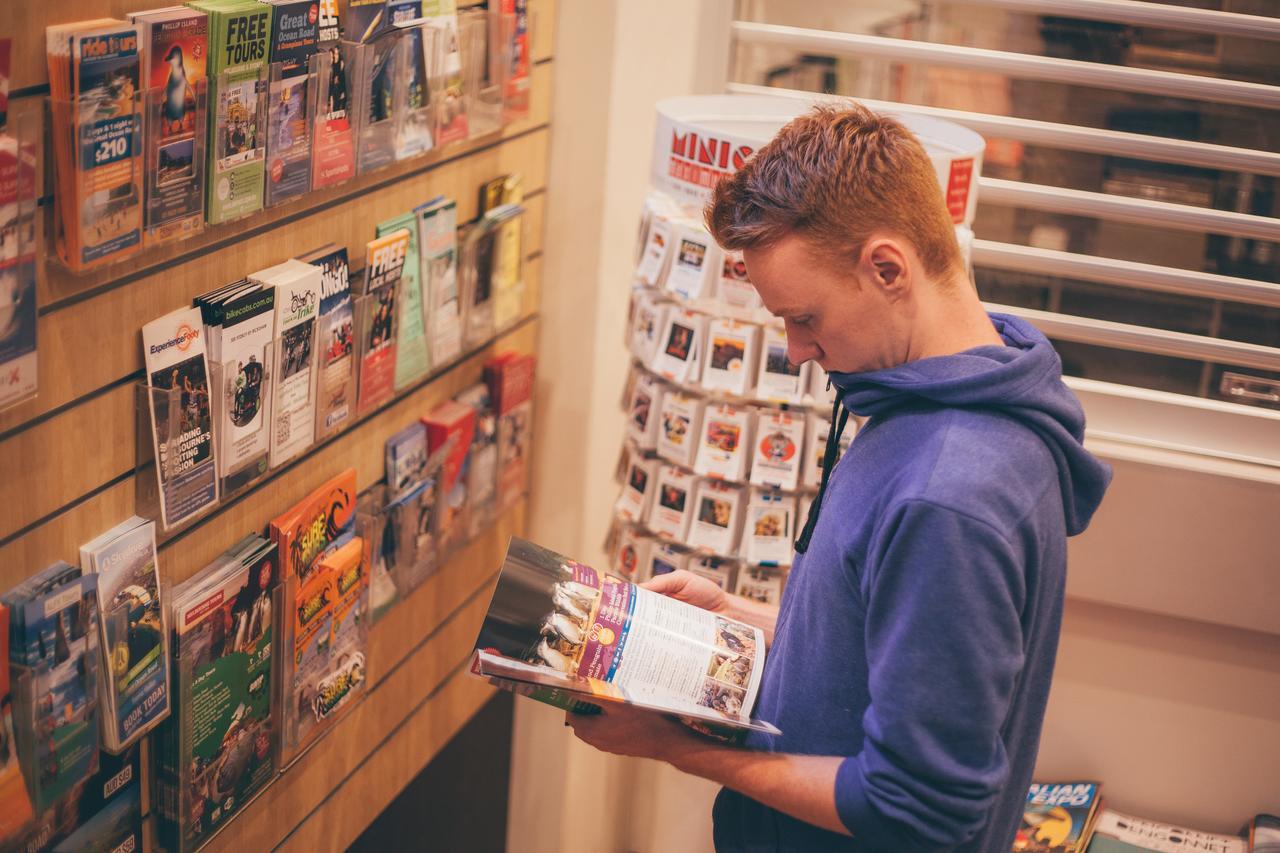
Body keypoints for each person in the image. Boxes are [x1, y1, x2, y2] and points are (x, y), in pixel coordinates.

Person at [567, 103, 1112, 851]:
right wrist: (738, 612)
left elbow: (915, 806)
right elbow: (882, 632)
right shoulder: (938, 391)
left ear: (888, 269)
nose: (795, 351)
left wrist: (672, 745)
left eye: (805, 317)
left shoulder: (950, 493)